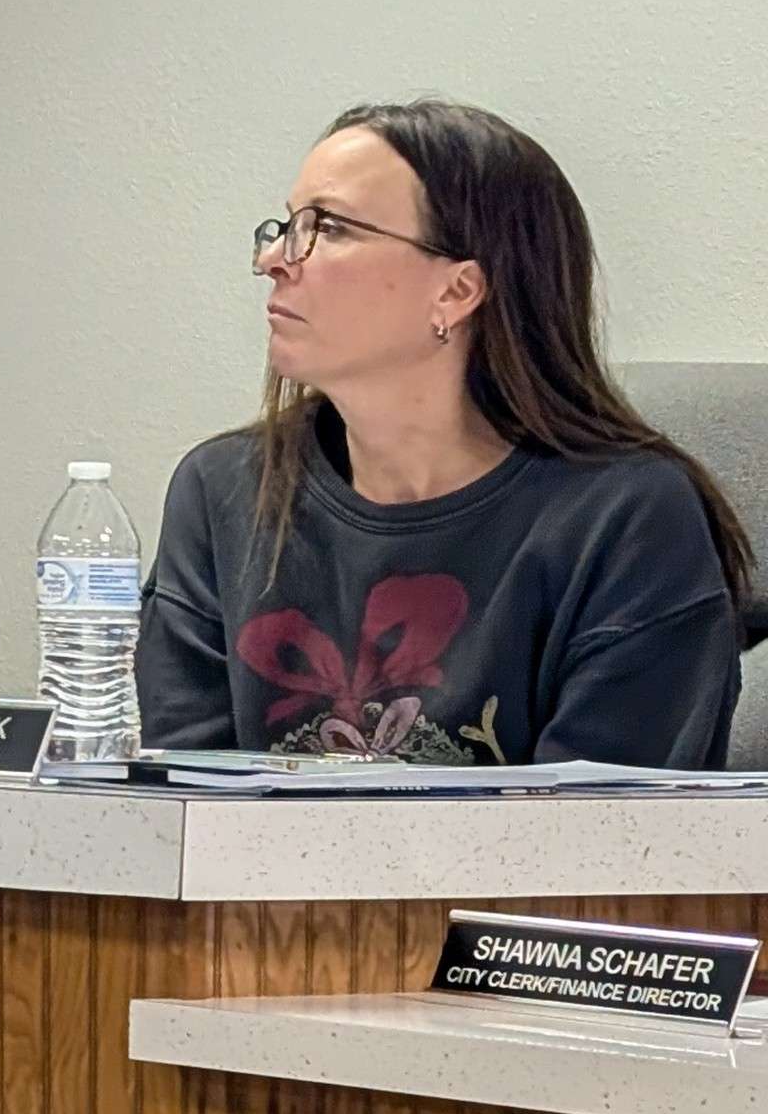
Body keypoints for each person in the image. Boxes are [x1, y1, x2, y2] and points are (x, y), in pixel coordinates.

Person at [140, 100, 748, 766]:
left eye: (330, 228)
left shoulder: (629, 520)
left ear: (457, 292)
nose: (275, 261)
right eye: (285, 227)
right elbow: (178, 801)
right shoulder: (222, 491)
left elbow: (604, 841)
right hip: (250, 873)